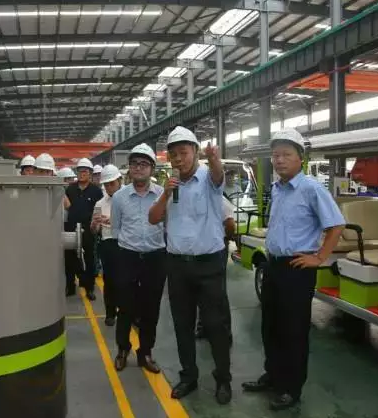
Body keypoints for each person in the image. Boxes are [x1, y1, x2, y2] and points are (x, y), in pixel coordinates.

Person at [241, 128, 345, 411]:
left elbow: (337, 224)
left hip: (297, 269)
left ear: (301, 158)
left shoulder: (311, 188)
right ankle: (273, 376)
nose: (279, 160)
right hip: (273, 265)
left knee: (293, 331)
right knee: (270, 326)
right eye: (275, 155)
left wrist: (319, 257)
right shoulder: (277, 188)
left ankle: (291, 388)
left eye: (286, 154)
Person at [148, 126, 232, 405]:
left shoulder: (209, 178)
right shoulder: (170, 185)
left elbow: (218, 175)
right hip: (177, 267)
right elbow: (153, 218)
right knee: (182, 324)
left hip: (209, 265)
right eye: (173, 154)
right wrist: (165, 194)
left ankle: (223, 379)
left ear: (195, 152)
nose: (178, 159)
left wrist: (214, 159)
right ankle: (189, 376)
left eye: (183, 152)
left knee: (215, 325)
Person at [111, 143, 166, 374]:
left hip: (155, 258)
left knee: (151, 308)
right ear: (129, 168)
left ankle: (145, 352)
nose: (139, 168)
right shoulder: (119, 197)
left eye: (144, 164)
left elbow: (168, 225)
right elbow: (116, 229)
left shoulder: (163, 194)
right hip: (128, 257)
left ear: (152, 168)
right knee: (125, 307)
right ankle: (122, 349)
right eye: (134, 164)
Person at [195, 196, 236, 343]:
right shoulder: (196, 197)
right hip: (200, 248)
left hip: (217, 248)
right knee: (201, 289)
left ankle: (225, 332)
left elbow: (230, 224)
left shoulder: (218, 198)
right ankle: (204, 327)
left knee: (218, 290)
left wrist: (225, 239)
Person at [65, 158, 103, 299]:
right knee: (69, 258)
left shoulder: (96, 191)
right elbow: (65, 207)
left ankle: (89, 288)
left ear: (90, 173)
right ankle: (70, 286)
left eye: (85, 171)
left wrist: (97, 227)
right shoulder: (70, 189)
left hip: (88, 230)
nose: (82, 174)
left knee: (89, 259)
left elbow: (99, 210)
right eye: (79, 171)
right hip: (71, 229)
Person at [90, 164, 123, 326]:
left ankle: (128, 312)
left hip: (126, 243)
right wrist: (95, 224)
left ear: (119, 181)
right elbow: (94, 230)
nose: (109, 187)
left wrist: (114, 221)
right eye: (106, 184)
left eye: (112, 183)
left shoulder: (129, 199)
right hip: (108, 244)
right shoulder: (100, 203)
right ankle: (110, 313)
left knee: (126, 280)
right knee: (109, 281)